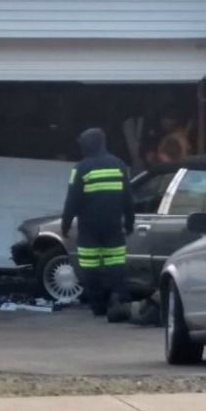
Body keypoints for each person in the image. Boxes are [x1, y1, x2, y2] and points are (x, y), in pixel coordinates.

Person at [61, 127, 135, 321]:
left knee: (90, 268)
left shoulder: (81, 168)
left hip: (89, 229)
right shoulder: (119, 165)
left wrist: (65, 225)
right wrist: (130, 221)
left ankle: (98, 307)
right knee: (117, 266)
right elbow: (128, 198)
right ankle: (122, 303)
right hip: (113, 227)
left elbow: (72, 200)